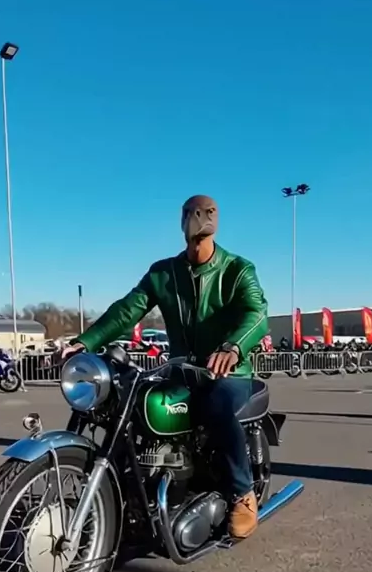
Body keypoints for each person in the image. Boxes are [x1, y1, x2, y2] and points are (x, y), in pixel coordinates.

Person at [62, 195, 268, 539]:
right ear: (182, 220)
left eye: (205, 215)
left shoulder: (237, 269)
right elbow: (128, 310)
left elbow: (257, 314)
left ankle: (242, 493)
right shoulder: (164, 272)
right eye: (191, 215)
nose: (198, 221)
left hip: (229, 373)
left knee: (216, 405)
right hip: (179, 371)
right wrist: (86, 342)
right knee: (128, 402)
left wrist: (233, 347)